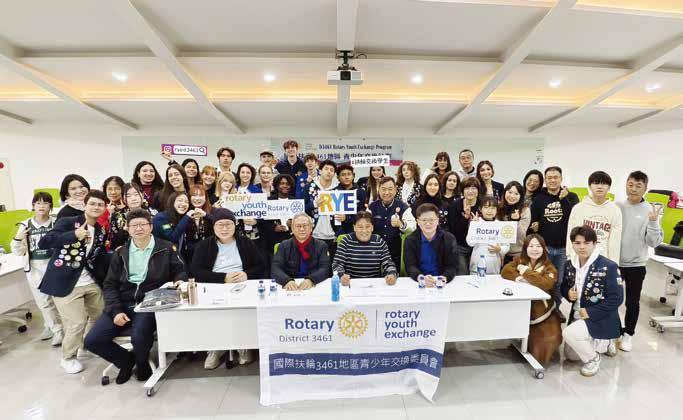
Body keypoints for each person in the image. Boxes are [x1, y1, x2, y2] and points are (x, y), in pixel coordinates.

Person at [84, 209, 187, 384]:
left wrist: (179, 281)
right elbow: (110, 285)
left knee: (139, 336)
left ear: (151, 227)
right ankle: (126, 361)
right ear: (128, 228)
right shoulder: (120, 253)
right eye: (134, 225)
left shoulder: (166, 247)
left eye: (143, 224)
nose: (138, 228)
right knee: (93, 340)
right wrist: (116, 311)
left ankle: (142, 363)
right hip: (123, 302)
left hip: (150, 301)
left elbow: (180, 270)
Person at [38, 190, 109, 374]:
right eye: (92, 203)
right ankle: (67, 357)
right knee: (77, 322)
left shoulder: (100, 230)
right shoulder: (68, 222)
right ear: (84, 205)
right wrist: (73, 235)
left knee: (100, 315)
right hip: (65, 282)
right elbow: (45, 242)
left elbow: (98, 256)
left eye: (100, 204)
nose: (96, 207)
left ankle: (85, 345)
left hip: (90, 280)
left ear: (105, 208)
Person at [191, 208, 264, 369]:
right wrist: (222, 278)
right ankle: (216, 349)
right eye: (220, 225)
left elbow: (260, 265)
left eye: (228, 224)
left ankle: (243, 346)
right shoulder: (204, 245)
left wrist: (246, 274)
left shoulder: (245, 242)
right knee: (214, 314)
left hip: (242, 285)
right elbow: (196, 271)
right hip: (215, 286)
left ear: (235, 225)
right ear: (213, 227)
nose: (224, 228)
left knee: (243, 312)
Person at [561, 225, 623, 377]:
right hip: (578, 316)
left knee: (569, 333)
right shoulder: (570, 264)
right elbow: (564, 286)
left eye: (586, 243)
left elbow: (617, 298)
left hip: (600, 317)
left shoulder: (608, 266)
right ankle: (601, 342)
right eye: (577, 243)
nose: (582, 247)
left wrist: (590, 312)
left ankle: (594, 358)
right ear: (572, 244)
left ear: (594, 244)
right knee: (571, 356)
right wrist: (567, 293)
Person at [616, 171, 663, 352]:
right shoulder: (617, 206)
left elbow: (653, 242)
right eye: (630, 185)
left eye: (638, 186)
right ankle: (614, 331)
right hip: (615, 263)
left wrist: (654, 222)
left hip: (636, 265)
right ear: (626, 185)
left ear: (645, 188)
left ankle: (628, 334)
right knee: (611, 300)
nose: (633, 189)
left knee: (632, 302)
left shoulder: (650, 211)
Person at [11, 192, 63, 346]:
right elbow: (18, 251)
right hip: (34, 267)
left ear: (50, 207)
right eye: (38, 203)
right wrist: (18, 238)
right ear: (33, 206)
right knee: (43, 302)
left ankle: (52, 325)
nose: (41, 206)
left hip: (54, 266)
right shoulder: (25, 225)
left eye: (45, 203)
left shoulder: (56, 223)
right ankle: (57, 331)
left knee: (59, 300)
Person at [501, 234, 562, 364]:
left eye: (538, 246)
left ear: (544, 249)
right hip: (520, 310)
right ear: (525, 248)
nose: (535, 249)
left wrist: (524, 271)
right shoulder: (519, 260)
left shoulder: (549, 267)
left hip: (543, 314)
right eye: (531, 246)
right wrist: (520, 278)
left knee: (546, 342)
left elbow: (545, 283)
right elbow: (505, 271)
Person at [529, 166, 579, 318]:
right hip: (545, 248)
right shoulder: (539, 199)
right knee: (541, 279)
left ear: (561, 179)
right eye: (549, 178)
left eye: (555, 177)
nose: (552, 180)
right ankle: (540, 310)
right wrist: (535, 227)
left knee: (559, 281)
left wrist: (564, 199)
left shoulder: (571, 197)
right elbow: (533, 221)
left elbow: (574, 218)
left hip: (563, 248)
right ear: (545, 180)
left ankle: (556, 308)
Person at [566, 171, 622, 263]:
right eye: (596, 183)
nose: (599, 186)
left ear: (609, 187)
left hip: (603, 260)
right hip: (581, 260)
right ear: (590, 186)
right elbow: (571, 236)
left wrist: (614, 263)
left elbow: (615, 241)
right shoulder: (578, 208)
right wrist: (571, 259)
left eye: (603, 183)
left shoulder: (615, 210)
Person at [332, 212, 397, 286]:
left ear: (372, 228)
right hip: (351, 284)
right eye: (360, 227)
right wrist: (341, 276)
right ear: (354, 228)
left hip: (374, 285)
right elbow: (337, 264)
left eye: (367, 226)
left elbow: (388, 263)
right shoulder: (346, 241)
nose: (364, 231)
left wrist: (391, 274)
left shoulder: (379, 241)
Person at [271, 213, 331, 290]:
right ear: (292, 228)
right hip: (291, 286)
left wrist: (311, 280)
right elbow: (275, 268)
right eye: (298, 226)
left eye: (305, 225)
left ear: (311, 228)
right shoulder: (284, 245)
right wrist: (286, 280)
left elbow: (325, 268)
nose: (302, 229)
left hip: (314, 285)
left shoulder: (321, 245)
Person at [368, 176, 417, 270]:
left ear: (395, 190)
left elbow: (413, 226)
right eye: (383, 189)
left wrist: (401, 224)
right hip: (375, 253)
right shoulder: (372, 207)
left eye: (390, 189)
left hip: (396, 254)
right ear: (379, 190)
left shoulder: (403, 207)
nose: (387, 192)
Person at [404, 203, 458, 286]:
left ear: (438, 221)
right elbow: (410, 266)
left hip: (442, 281)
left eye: (431, 220)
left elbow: (452, 266)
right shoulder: (410, 240)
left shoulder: (449, 239)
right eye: (424, 220)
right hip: (419, 281)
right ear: (418, 222)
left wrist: (443, 278)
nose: (428, 223)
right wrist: (421, 278)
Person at [304, 159, 339, 258]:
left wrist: (344, 217)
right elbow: (301, 208)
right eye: (326, 169)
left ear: (334, 174)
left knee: (332, 264)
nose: (329, 172)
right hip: (313, 234)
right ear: (320, 170)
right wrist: (314, 204)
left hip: (333, 235)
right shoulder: (310, 187)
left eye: (332, 170)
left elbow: (345, 212)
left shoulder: (338, 189)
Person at [447, 176, 481, 275]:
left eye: (473, 188)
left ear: (478, 191)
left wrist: (476, 225)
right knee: (463, 274)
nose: (470, 191)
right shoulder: (454, 206)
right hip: (460, 246)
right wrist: (465, 217)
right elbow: (454, 230)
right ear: (462, 191)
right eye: (467, 188)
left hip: (478, 246)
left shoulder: (483, 204)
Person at [467, 196, 509, 274]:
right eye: (486, 207)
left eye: (493, 208)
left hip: (494, 266)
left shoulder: (500, 225)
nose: (489, 211)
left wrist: (500, 249)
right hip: (476, 266)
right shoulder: (476, 222)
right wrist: (474, 226)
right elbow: (470, 243)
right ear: (480, 209)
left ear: (497, 210)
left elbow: (506, 246)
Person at [152, 192, 192, 263]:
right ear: (172, 201)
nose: (183, 204)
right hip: (161, 259)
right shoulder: (160, 217)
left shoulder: (181, 218)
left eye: (186, 202)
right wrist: (187, 216)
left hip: (176, 257)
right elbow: (172, 238)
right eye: (180, 200)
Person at [263, 174, 295, 258]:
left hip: (291, 240)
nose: (285, 186)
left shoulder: (295, 201)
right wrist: (274, 227)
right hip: (273, 241)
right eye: (282, 183)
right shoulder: (269, 201)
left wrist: (293, 223)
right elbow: (263, 222)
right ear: (276, 185)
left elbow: (301, 220)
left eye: (287, 184)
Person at [499, 181, 531, 264]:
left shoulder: (525, 210)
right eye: (509, 192)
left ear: (521, 196)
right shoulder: (498, 208)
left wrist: (516, 221)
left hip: (518, 254)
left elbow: (522, 235)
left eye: (516, 194)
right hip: (499, 252)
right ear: (505, 192)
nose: (512, 196)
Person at [332, 163, 366, 235]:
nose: (346, 177)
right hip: (337, 231)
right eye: (343, 175)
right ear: (338, 177)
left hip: (356, 231)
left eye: (349, 174)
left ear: (353, 176)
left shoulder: (360, 192)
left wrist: (347, 217)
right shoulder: (333, 192)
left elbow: (362, 212)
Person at [186, 185, 214, 266]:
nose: (197, 198)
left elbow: (219, 222)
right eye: (194, 195)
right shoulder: (185, 212)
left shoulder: (212, 211)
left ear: (205, 198)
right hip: (190, 256)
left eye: (201, 195)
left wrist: (205, 215)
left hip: (210, 253)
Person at [101, 176, 126, 252]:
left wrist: (123, 211)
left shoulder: (129, 206)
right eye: (109, 189)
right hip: (108, 249)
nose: (113, 192)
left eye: (117, 188)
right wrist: (110, 215)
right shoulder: (101, 207)